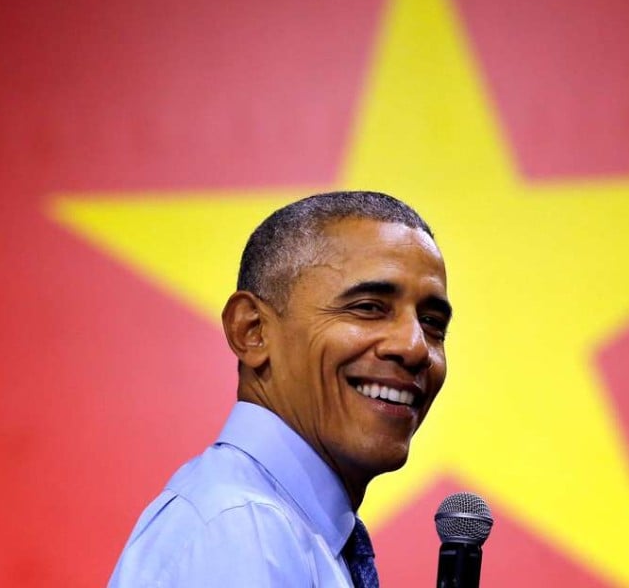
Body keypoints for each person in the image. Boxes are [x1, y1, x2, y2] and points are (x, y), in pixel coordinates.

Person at [109, 191, 451, 587]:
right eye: (369, 307)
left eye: (432, 323)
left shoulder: (285, 530)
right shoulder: (240, 531)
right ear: (252, 331)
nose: (414, 347)